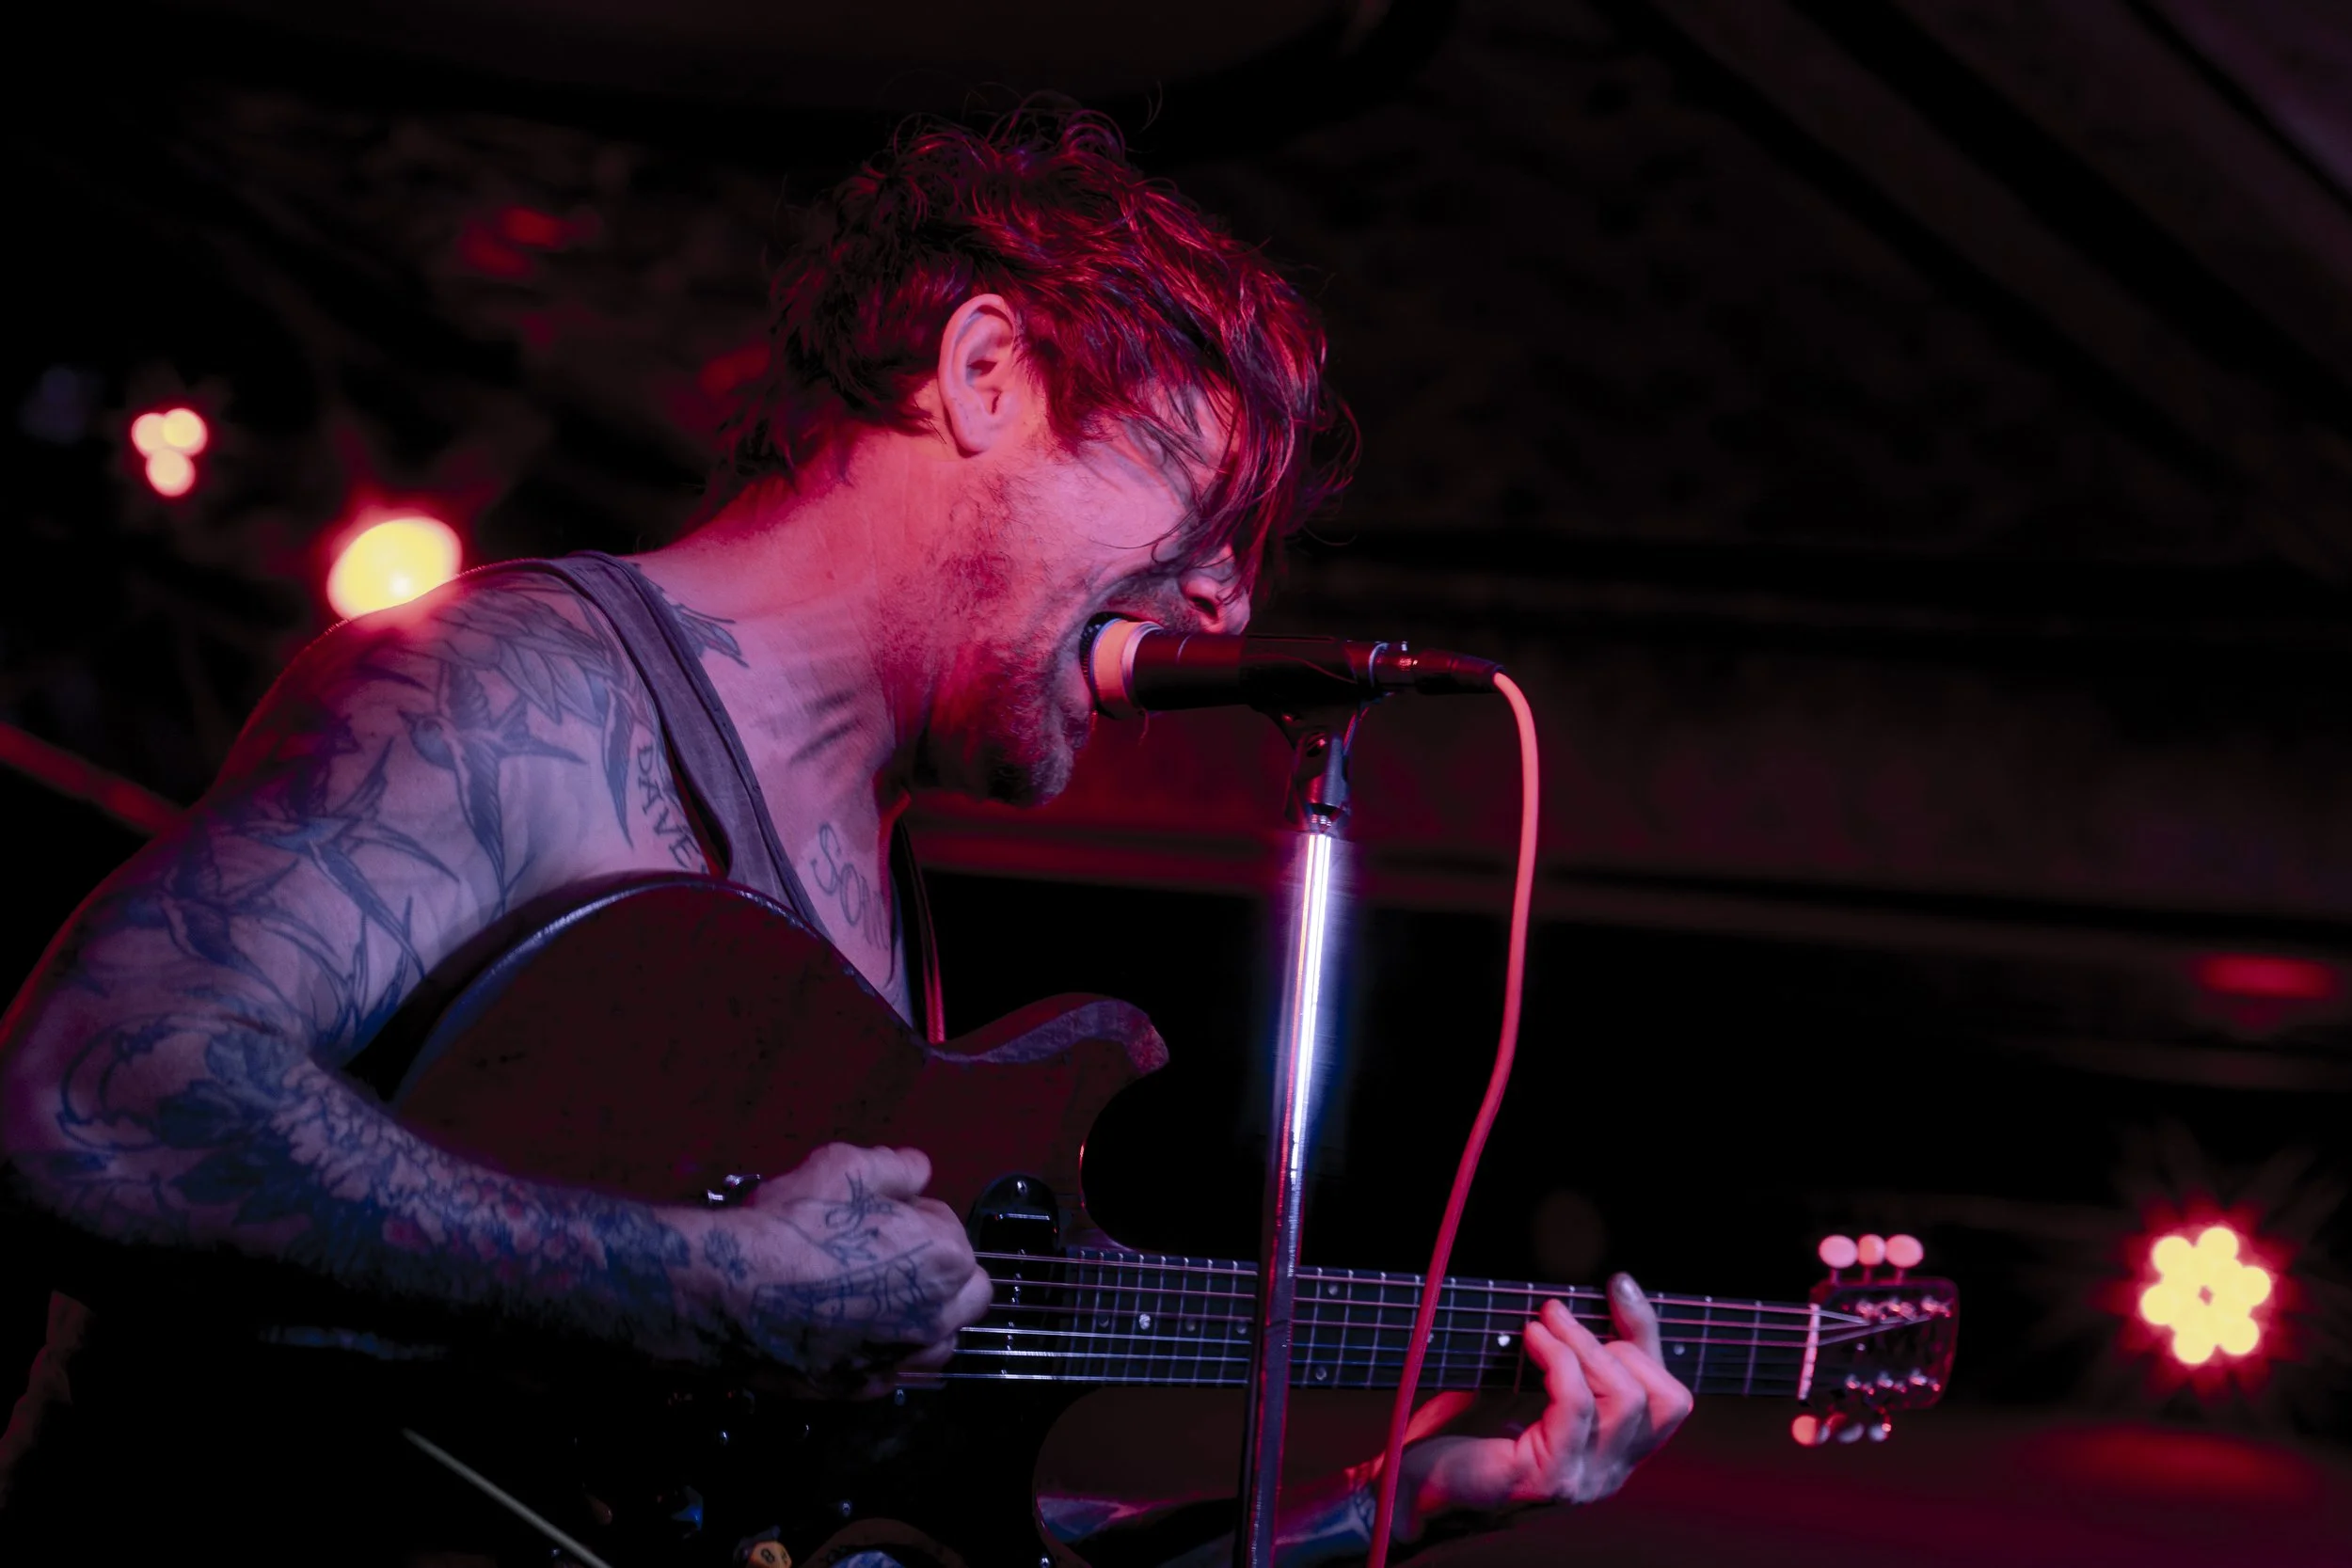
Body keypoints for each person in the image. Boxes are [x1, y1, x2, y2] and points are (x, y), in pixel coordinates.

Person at [0, 112, 1690, 1563]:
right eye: (1216, 512)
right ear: (985, 372)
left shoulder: (884, 922)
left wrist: (1408, 1494)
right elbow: (95, 1092)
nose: (1230, 599)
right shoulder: (522, 689)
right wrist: (703, 1281)